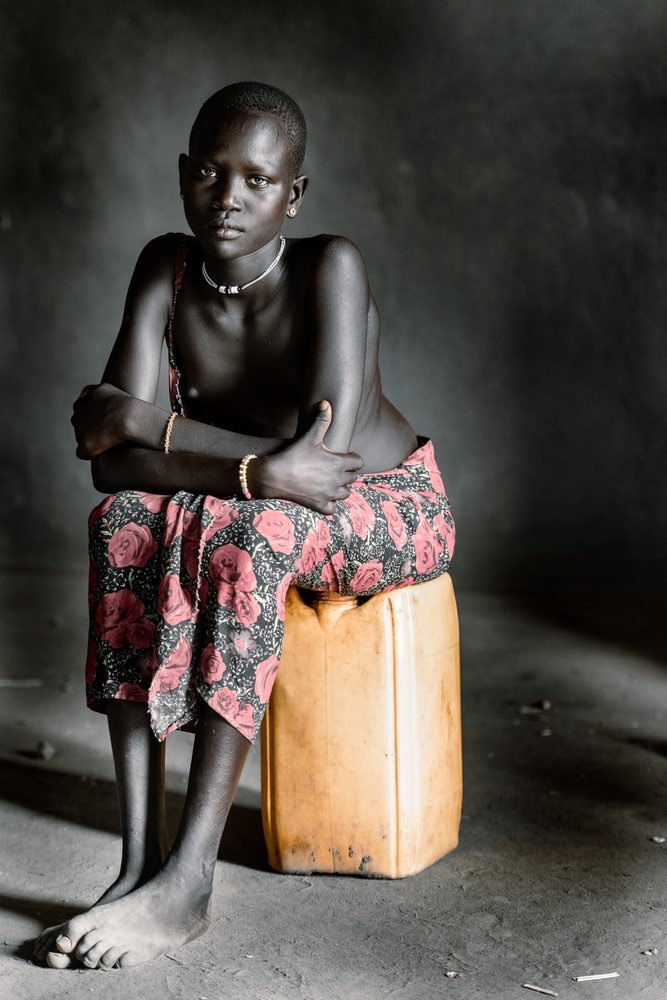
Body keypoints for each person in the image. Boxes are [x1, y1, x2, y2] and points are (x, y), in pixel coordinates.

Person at [34, 81, 454, 971]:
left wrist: (147, 422)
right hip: (257, 491)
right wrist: (249, 465)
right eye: (212, 174)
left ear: (292, 195)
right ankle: (137, 862)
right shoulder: (165, 266)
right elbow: (112, 465)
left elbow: (323, 472)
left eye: (258, 181)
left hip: (386, 504)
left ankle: (188, 882)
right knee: (121, 525)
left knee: (252, 537)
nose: (230, 198)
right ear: (184, 175)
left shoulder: (329, 265)